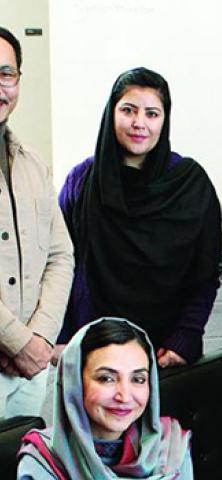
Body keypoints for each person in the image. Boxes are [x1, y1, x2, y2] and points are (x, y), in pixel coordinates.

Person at [55, 67, 222, 368]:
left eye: (152, 114)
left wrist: (185, 336)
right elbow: (60, 264)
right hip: (91, 349)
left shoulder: (191, 184)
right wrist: (64, 338)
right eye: (128, 110)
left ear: (164, 119)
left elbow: (206, 273)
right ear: (111, 113)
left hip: (165, 353)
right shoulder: (82, 181)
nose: (139, 123)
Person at [0, 27, 73, 417]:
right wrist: (18, 343)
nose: (0, 86)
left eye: (6, 74)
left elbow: (61, 255)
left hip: (30, 369)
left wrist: (41, 337)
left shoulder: (32, 165)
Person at [17, 317, 193, 479]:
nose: (124, 396)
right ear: (74, 382)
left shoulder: (171, 447)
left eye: (138, 379)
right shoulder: (43, 460)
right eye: (106, 378)